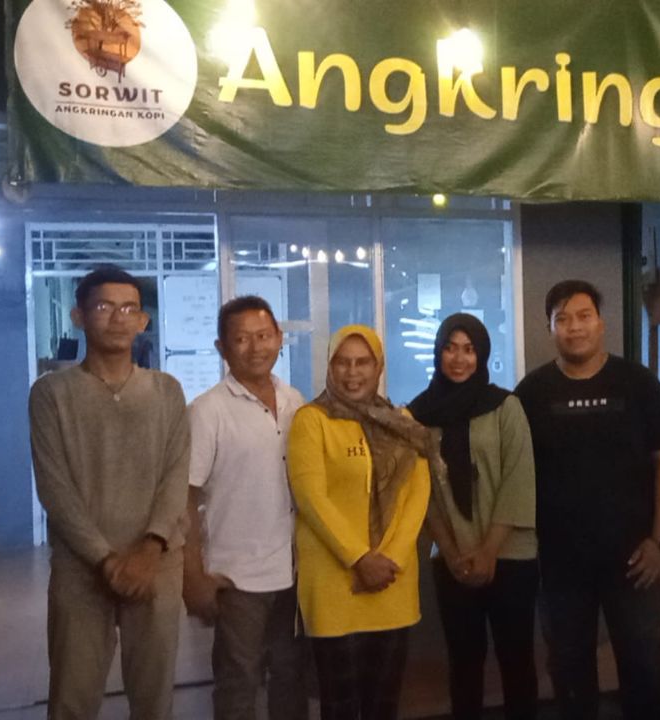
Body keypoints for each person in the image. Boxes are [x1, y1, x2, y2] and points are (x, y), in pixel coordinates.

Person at [513, 280, 660, 720]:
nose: (574, 327)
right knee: (569, 670)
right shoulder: (531, 393)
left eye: (584, 316)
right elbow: (513, 472)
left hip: (635, 557)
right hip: (560, 562)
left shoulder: (637, 382)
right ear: (550, 328)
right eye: (563, 319)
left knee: (644, 665)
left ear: (601, 322)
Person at [28, 265, 190, 720]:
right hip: (82, 570)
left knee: (154, 699)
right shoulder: (51, 394)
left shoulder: (166, 391)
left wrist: (150, 549)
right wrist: (104, 559)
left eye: (129, 309)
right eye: (103, 306)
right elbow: (55, 488)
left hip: (157, 565)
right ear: (79, 316)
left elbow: (176, 475)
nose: (118, 318)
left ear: (143, 320)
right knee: (72, 699)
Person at [288, 325, 432, 720]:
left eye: (363, 362)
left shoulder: (402, 422)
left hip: (392, 583)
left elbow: (417, 494)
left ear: (379, 367)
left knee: (384, 706)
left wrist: (390, 558)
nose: (352, 373)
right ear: (329, 367)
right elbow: (311, 498)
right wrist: (359, 558)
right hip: (335, 586)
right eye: (343, 362)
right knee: (340, 706)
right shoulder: (311, 420)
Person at [184, 295, 309, 720]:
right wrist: (192, 576)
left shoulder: (295, 400)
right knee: (238, 683)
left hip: (293, 570)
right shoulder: (208, 411)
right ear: (222, 347)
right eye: (241, 339)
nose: (255, 347)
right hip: (235, 577)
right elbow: (185, 497)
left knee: (291, 678)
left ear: (279, 338)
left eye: (264, 336)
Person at [409, 314, 539, 720]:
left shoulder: (505, 407)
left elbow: (519, 479)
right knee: (464, 662)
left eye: (468, 349)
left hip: (510, 554)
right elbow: (422, 492)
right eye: (450, 348)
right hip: (453, 558)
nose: (458, 358)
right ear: (438, 353)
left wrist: (488, 551)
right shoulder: (420, 415)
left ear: (481, 354)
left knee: (516, 658)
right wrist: (450, 552)